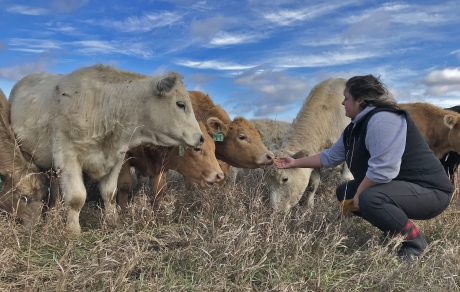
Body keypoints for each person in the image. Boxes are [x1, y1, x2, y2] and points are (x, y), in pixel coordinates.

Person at [274, 75, 454, 260]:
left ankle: (413, 244)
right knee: (345, 192)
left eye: (346, 98)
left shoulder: (384, 119)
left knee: (368, 198)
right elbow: (331, 157)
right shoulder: (355, 127)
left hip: (430, 192)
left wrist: (360, 194)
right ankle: (394, 229)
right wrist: (294, 162)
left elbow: (384, 170)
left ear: (360, 100)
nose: (342, 103)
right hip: (402, 186)